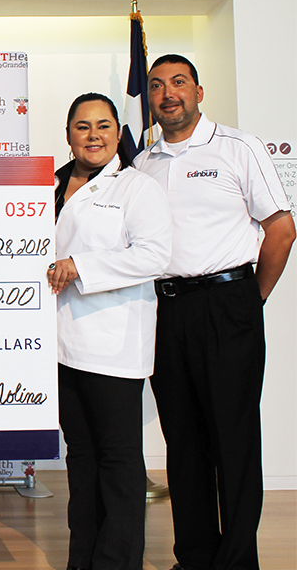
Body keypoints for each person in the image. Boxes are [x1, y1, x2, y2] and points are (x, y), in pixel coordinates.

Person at [134, 56, 295, 570]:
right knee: (182, 440)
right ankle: (195, 557)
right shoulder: (143, 162)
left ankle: (236, 561)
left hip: (228, 305)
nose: (167, 94)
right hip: (165, 310)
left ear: (199, 92)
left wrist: (252, 299)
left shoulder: (238, 147)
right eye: (156, 86)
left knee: (234, 439)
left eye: (178, 83)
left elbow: (281, 228)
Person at [48, 93, 172, 570]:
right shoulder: (50, 184)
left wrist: (81, 266)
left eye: (103, 125)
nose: (93, 135)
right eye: (82, 126)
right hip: (58, 346)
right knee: (80, 457)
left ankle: (118, 561)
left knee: (118, 460)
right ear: (68, 134)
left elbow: (154, 255)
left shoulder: (136, 187)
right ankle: (84, 558)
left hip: (111, 345)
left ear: (119, 132)